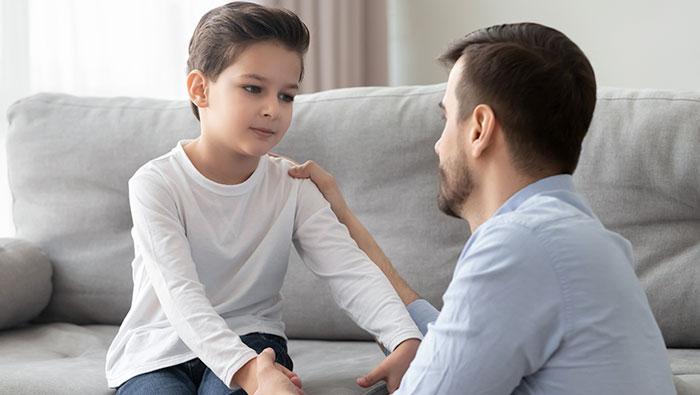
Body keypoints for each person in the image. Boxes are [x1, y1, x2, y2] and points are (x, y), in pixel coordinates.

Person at [287, 22, 676, 394]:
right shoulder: (578, 237)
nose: (439, 145)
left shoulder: (518, 246)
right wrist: (343, 218)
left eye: (446, 118)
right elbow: (452, 346)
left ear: (479, 129)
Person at [105, 2, 422, 394]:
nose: (273, 109)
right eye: (253, 88)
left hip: (255, 341)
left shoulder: (293, 184)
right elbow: (180, 294)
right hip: (157, 351)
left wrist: (405, 338)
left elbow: (349, 271)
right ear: (200, 89)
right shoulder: (155, 184)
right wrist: (246, 372)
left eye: (287, 96)